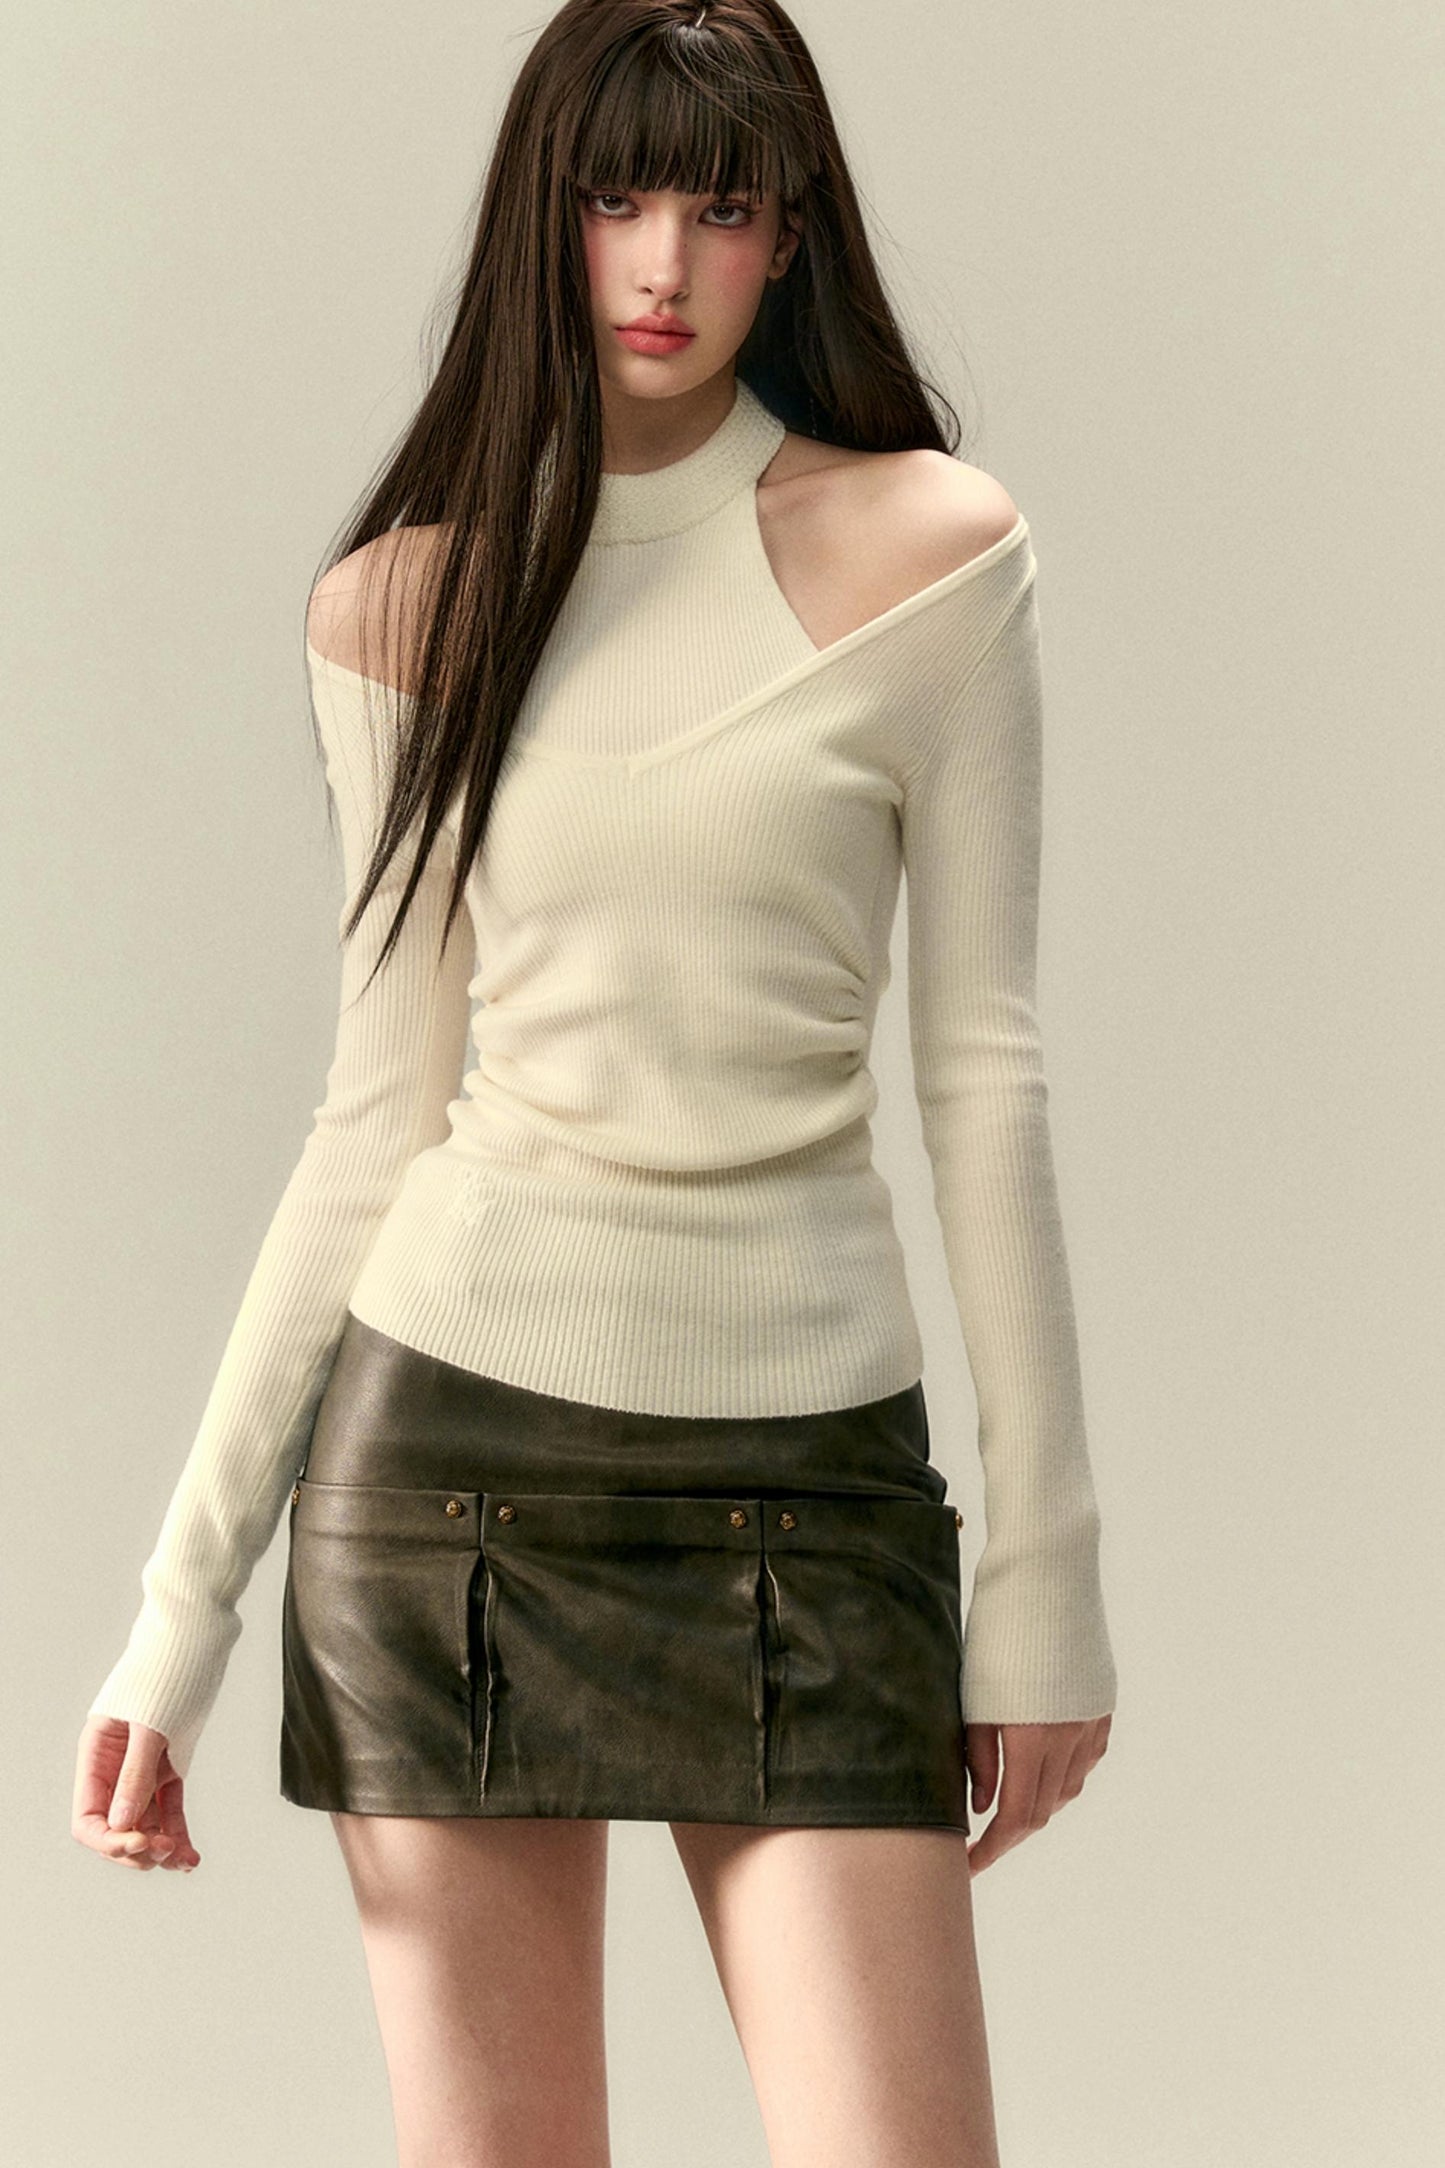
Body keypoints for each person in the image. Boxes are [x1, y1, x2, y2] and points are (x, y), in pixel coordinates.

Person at [73, 3, 1117, 2161]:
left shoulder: (933, 553)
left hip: (819, 1484)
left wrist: (1044, 1584)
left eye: (718, 209)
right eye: (613, 200)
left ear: (789, 235)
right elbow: (372, 1118)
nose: (660, 263)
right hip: (446, 1480)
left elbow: (985, 1079)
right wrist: (176, 1621)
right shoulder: (403, 607)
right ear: (538, 221)